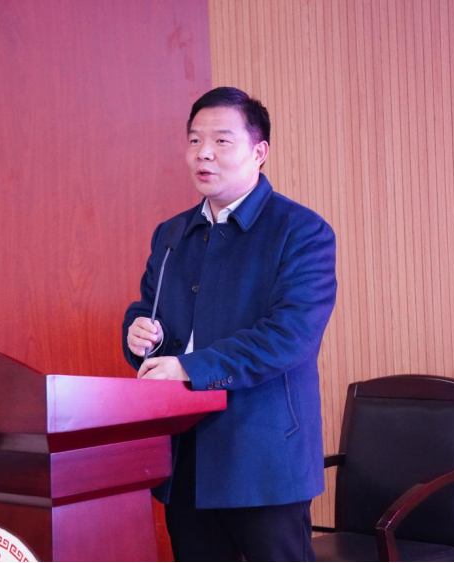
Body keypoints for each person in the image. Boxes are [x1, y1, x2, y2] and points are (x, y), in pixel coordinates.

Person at [123, 87, 336, 562]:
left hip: (263, 457)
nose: (204, 153)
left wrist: (190, 368)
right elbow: (148, 310)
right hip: (186, 455)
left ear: (259, 152)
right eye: (194, 140)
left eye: (221, 140)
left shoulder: (301, 231)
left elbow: (289, 337)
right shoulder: (172, 233)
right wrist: (138, 333)